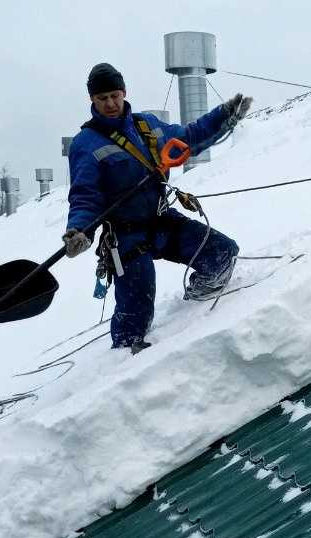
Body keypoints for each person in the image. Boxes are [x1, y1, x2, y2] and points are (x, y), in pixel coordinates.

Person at [62, 62, 252, 350]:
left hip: (163, 221)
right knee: (134, 315)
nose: (111, 103)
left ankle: (193, 313)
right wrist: (79, 231)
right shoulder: (85, 144)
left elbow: (188, 138)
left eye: (115, 95)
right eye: (102, 98)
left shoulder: (146, 125)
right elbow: (85, 196)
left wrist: (223, 116)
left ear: (124, 92)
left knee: (223, 254)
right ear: (92, 100)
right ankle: (124, 363)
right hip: (125, 237)